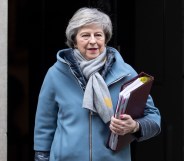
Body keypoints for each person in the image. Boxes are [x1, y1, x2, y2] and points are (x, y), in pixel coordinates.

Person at [34, 7, 161, 161]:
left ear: (105, 39)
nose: (93, 41)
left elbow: (153, 118)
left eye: (98, 35)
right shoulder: (56, 73)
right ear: (74, 40)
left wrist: (134, 126)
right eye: (85, 35)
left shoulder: (126, 73)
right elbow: (44, 124)